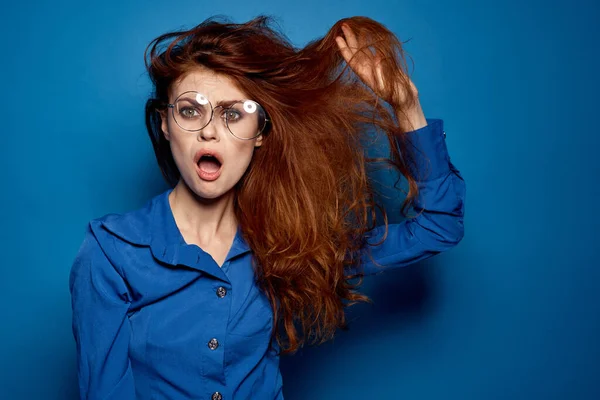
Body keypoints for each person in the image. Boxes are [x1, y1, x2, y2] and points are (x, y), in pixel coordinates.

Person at [69, 15, 466, 400]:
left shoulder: (292, 241)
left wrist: (406, 107)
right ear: (166, 124)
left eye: (233, 113)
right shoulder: (112, 252)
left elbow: (438, 227)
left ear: (259, 133)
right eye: (191, 110)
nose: (209, 129)